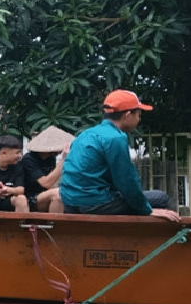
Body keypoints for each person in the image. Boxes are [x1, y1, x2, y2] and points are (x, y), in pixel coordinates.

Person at [60, 90, 180, 221]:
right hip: (95, 204)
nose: (139, 120)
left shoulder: (86, 134)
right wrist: (147, 209)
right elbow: (126, 180)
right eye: (139, 115)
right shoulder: (115, 138)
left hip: (70, 202)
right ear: (128, 115)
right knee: (160, 198)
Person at [21, 126, 74, 213]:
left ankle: (55, 224)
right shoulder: (29, 159)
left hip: (45, 195)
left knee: (62, 194)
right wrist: (63, 160)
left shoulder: (51, 158)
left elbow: (51, 184)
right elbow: (46, 183)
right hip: (30, 199)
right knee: (58, 193)